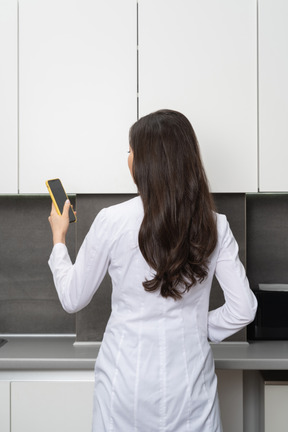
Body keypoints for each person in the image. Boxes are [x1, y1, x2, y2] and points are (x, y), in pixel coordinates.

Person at [48, 109, 257, 432]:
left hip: (123, 388)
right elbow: (244, 309)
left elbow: (72, 298)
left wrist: (59, 239)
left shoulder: (112, 221)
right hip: (191, 393)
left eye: (131, 151)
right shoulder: (215, 225)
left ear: (145, 163)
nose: (128, 159)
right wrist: (197, 326)